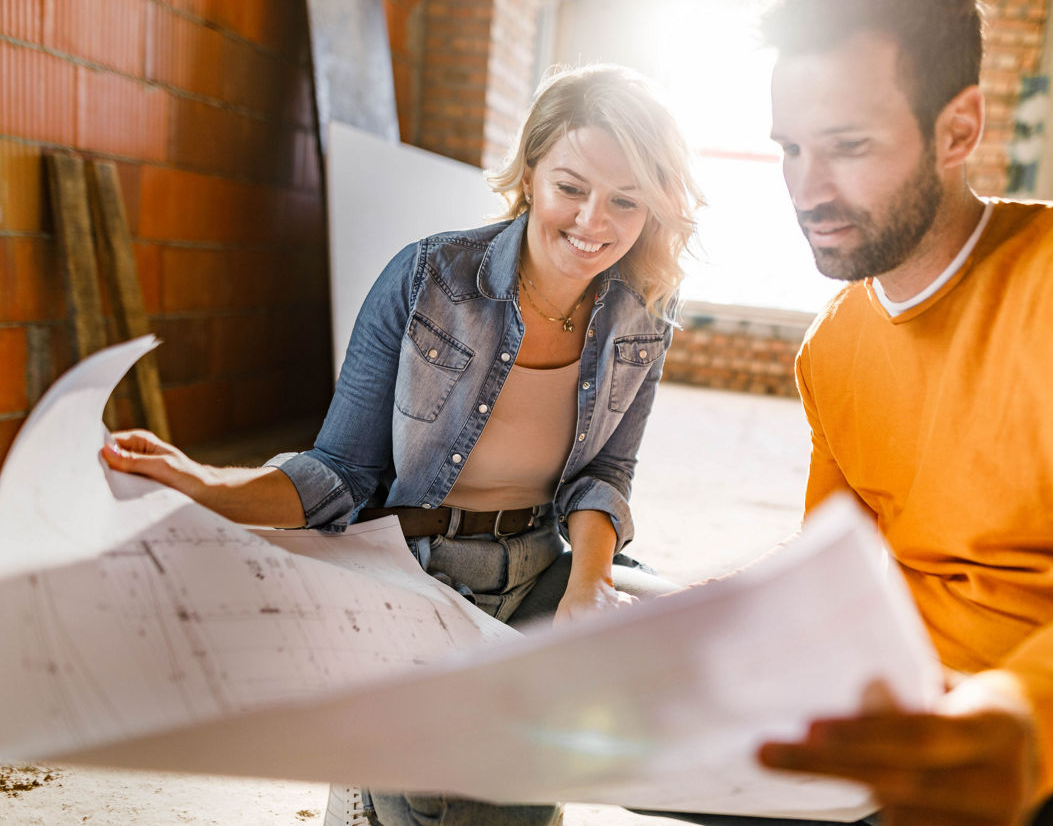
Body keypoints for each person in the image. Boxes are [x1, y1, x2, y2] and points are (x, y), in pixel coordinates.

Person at [690, 0, 1053, 825]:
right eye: (791, 148)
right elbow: (834, 579)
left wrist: (1017, 723)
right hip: (922, 727)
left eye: (848, 147)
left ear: (958, 129)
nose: (809, 192)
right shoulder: (833, 347)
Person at [102, 63, 704, 826]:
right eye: (571, 187)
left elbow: (605, 476)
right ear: (529, 175)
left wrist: (588, 587)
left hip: (542, 576)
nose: (593, 222)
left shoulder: (642, 312)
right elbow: (341, 471)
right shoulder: (429, 279)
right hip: (416, 577)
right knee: (426, 805)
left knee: (523, 796)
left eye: (626, 200)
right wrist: (205, 482)